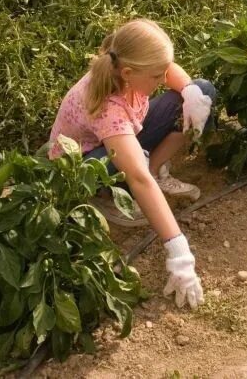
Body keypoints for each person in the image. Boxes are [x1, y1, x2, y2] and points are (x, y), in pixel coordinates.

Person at [48, 19, 215, 308]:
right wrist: (179, 251)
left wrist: (190, 93)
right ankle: (105, 195)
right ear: (127, 73)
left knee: (202, 90)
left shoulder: (131, 69)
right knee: (125, 166)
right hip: (85, 164)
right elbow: (138, 177)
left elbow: (169, 70)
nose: (163, 79)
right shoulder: (106, 105)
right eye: (156, 76)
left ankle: (153, 166)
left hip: (126, 134)